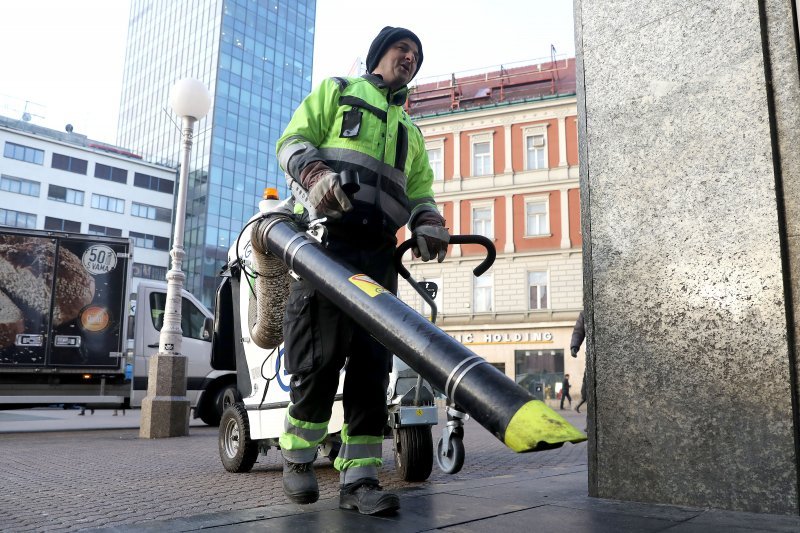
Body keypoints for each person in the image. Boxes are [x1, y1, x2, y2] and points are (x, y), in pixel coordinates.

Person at [275, 26, 448, 516]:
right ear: (379, 56)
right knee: (320, 357)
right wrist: (314, 177)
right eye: (402, 50)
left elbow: (420, 192)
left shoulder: (411, 132)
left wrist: (429, 222)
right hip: (329, 244)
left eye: (416, 54)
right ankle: (298, 456)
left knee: (372, 368)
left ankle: (360, 480)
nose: (409, 58)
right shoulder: (338, 92)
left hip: (378, 256)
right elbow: (292, 141)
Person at [570, 311, 588, 413]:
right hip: (591, 357)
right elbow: (578, 331)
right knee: (587, 380)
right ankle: (583, 397)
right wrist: (574, 346)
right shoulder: (585, 313)